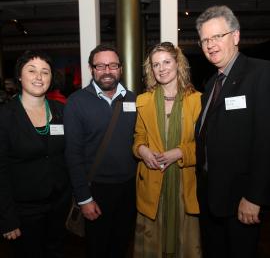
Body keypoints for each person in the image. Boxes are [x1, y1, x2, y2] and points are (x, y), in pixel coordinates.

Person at [195, 5, 270, 258]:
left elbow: (265, 141)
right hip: (210, 198)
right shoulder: (211, 84)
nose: (210, 45)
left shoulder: (261, 74)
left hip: (241, 200)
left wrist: (254, 196)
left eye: (217, 36)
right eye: (205, 39)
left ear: (235, 36)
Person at [64, 44, 137, 258]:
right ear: (92, 69)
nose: (107, 71)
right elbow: (73, 155)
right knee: (97, 248)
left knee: (121, 245)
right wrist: (84, 199)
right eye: (101, 66)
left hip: (129, 190)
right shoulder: (76, 103)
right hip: (96, 190)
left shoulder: (133, 99)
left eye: (113, 65)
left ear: (121, 69)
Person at [133, 41, 202, 258]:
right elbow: (138, 138)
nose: (161, 68)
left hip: (185, 184)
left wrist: (179, 152)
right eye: (155, 65)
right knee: (151, 243)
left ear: (177, 63)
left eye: (166, 62)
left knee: (186, 243)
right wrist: (142, 151)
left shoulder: (197, 100)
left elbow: (206, 145)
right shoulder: (143, 101)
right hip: (152, 183)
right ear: (150, 70)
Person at [0, 50, 71, 258]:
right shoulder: (5, 116)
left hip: (59, 206)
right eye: (32, 71)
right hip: (23, 212)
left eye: (45, 72)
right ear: (20, 76)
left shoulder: (61, 111)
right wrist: (7, 218)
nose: (39, 77)